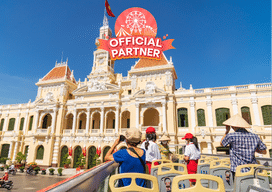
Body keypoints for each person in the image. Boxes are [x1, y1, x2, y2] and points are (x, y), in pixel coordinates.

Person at [220, 114, 267, 179]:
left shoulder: (231, 136)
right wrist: (253, 149)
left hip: (238, 171)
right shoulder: (255, 136)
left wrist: (226, 131)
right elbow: (264, 151)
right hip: (252, 169)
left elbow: (222, 144)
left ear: (233, 126)